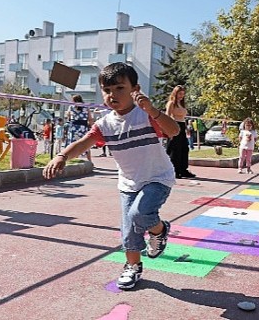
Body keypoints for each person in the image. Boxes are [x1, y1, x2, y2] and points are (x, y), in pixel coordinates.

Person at [43, 62, 180, 290]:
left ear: (134, 90)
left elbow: (173, 131)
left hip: (157, 177)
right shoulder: (104, 124)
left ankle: (160, 230)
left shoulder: (145, 116)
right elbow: (83, 143)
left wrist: (153, 110)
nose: (112, 94)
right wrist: (62, 156)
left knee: (140, 213)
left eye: (119, 88)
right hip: (128, 183)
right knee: (128, 229)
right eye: (107, 90)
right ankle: (133, 266)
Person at [165, 85, 195, 179]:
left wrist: (186, 129)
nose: (181, 96)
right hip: (174, 126)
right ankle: (175, 170)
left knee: (184, 149)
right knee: (175, 149)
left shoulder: (181, 104)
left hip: (182, 126)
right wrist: (169, 131)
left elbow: (183, 118)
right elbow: (167, 116)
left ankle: (183, 170)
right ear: (175, 93)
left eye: (183, 94)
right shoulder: (171, 103)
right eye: (180, 93)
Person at [66, 94, 93, 161]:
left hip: (74, 127)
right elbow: (90, 118)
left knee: (73, 144)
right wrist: (91, 126)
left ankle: (75, 158)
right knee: (85, 143)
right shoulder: (86, 107)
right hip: (83, 127)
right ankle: (89, 160)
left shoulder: (71, 107)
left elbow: (67, 116)